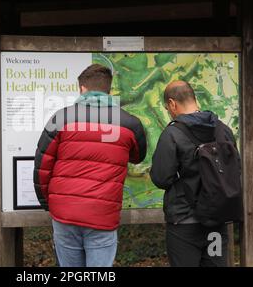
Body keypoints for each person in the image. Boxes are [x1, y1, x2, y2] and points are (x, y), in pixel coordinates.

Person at [33, 64, 147, 267]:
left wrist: (48, 203)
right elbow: (138, 156)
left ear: (82, 89)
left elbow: (42, 166)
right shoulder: (130, 124)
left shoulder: (60, 118)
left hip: (65, 212)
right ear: (108, 90)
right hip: (102, 214)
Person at [150, 80, 238, 267]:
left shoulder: (172, 134)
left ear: (172, 104)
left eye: (168, 108)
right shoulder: (223, 130)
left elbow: (161, 178)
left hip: (184, 220)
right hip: (217, 218)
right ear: (194, 99)